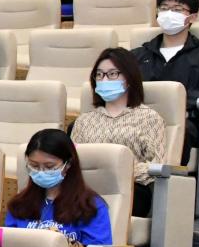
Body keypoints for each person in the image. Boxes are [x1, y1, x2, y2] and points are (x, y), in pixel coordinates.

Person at [133, 0, 199, 161]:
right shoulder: (137, 55)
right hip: (137, 117)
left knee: (181, 131)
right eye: (164, 8)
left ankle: (163, 177)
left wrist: (176, 106)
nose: (169, 14)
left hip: (183, 119)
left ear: (193, 17)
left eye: (177, 9)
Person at [70, 47, 165, 217]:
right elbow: (72, 161)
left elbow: (157, 165)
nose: (104, 79)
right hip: (87, 188)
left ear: (129, 78)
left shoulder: (149, 118)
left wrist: (116, 172)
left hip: (131, 188)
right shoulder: (83, 121)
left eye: (112, 74)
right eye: (99, 75)